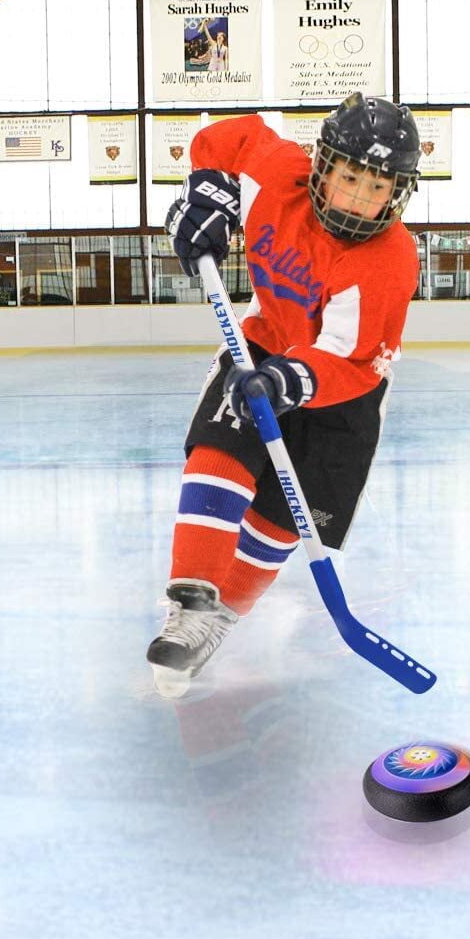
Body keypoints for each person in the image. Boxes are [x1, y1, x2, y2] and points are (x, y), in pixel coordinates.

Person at [146, 92, 422, 697]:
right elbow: (223, 139)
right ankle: (190, 607)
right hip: (263, 344)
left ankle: (218, 621)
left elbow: (351, 360)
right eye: (349, 177)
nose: (357, 198)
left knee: (278, 522)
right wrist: (209, 193)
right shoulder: (280, 175)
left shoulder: (391, 260)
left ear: (398, 193)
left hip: (342, 391)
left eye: (377, 187)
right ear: (322, 166)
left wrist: (288, 381)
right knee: (219, 452)